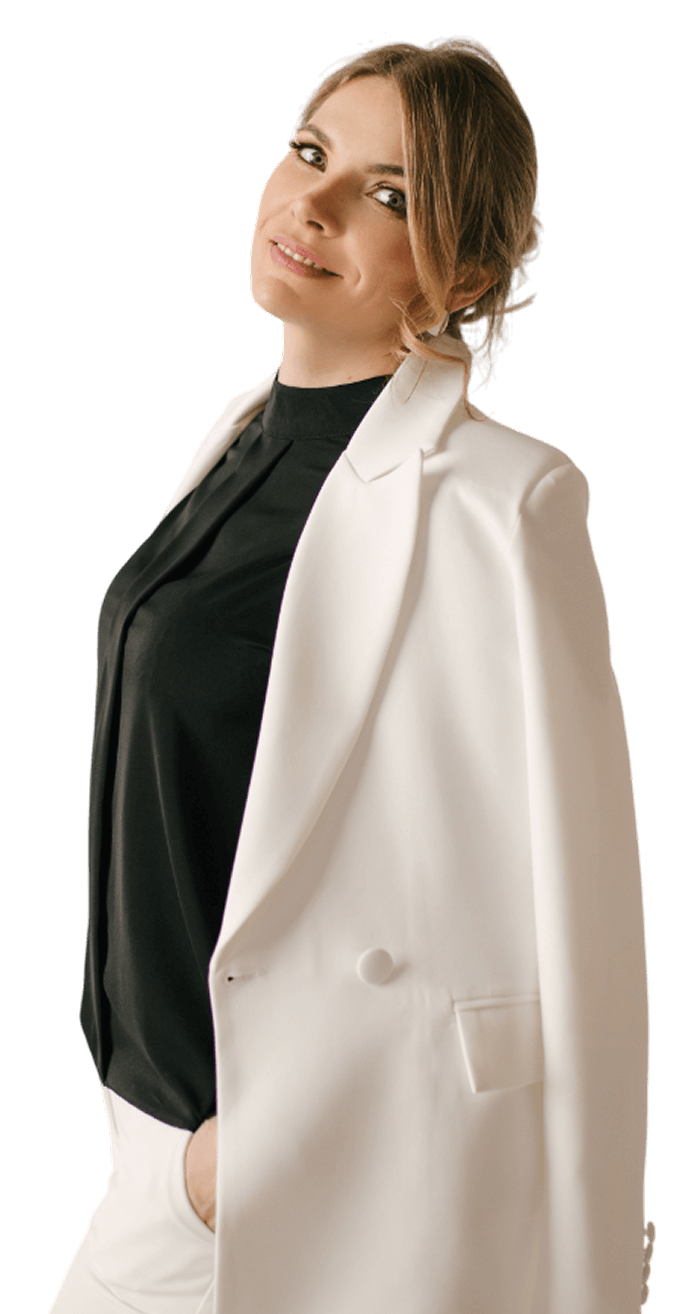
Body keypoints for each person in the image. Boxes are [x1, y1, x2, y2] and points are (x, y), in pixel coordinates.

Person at [50, 35, 653, 1314]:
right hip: (153, 1134)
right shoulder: (239, 432)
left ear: (464, 271)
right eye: (310, 152)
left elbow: (576, 914)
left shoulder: (503, 501)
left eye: (388, 193)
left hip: (294, 1155)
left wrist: (590, 1275)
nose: (313, 203)